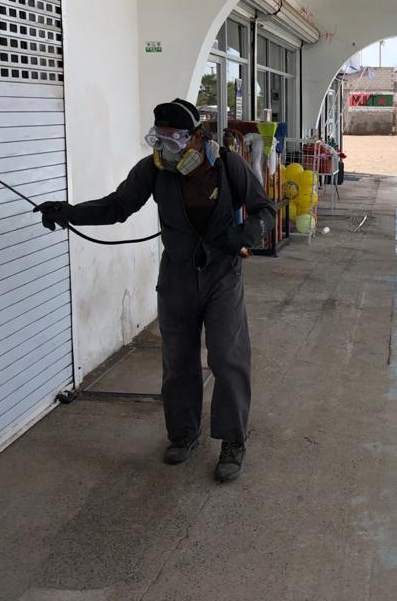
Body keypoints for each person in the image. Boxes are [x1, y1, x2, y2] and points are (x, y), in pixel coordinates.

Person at [33, 98, 275, 481]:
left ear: (196, 137)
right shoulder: (154, 170)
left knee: (228, 358)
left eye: (174, 138)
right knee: (178, 360)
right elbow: (117, 207)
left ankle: (233, 441)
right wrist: (70, 213)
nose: (166, 147)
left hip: (221, 276)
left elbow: (265, 210)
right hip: (177, 277)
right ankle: (182, 434)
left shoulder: (228, 165)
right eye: (159, 138)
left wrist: (247, 233)